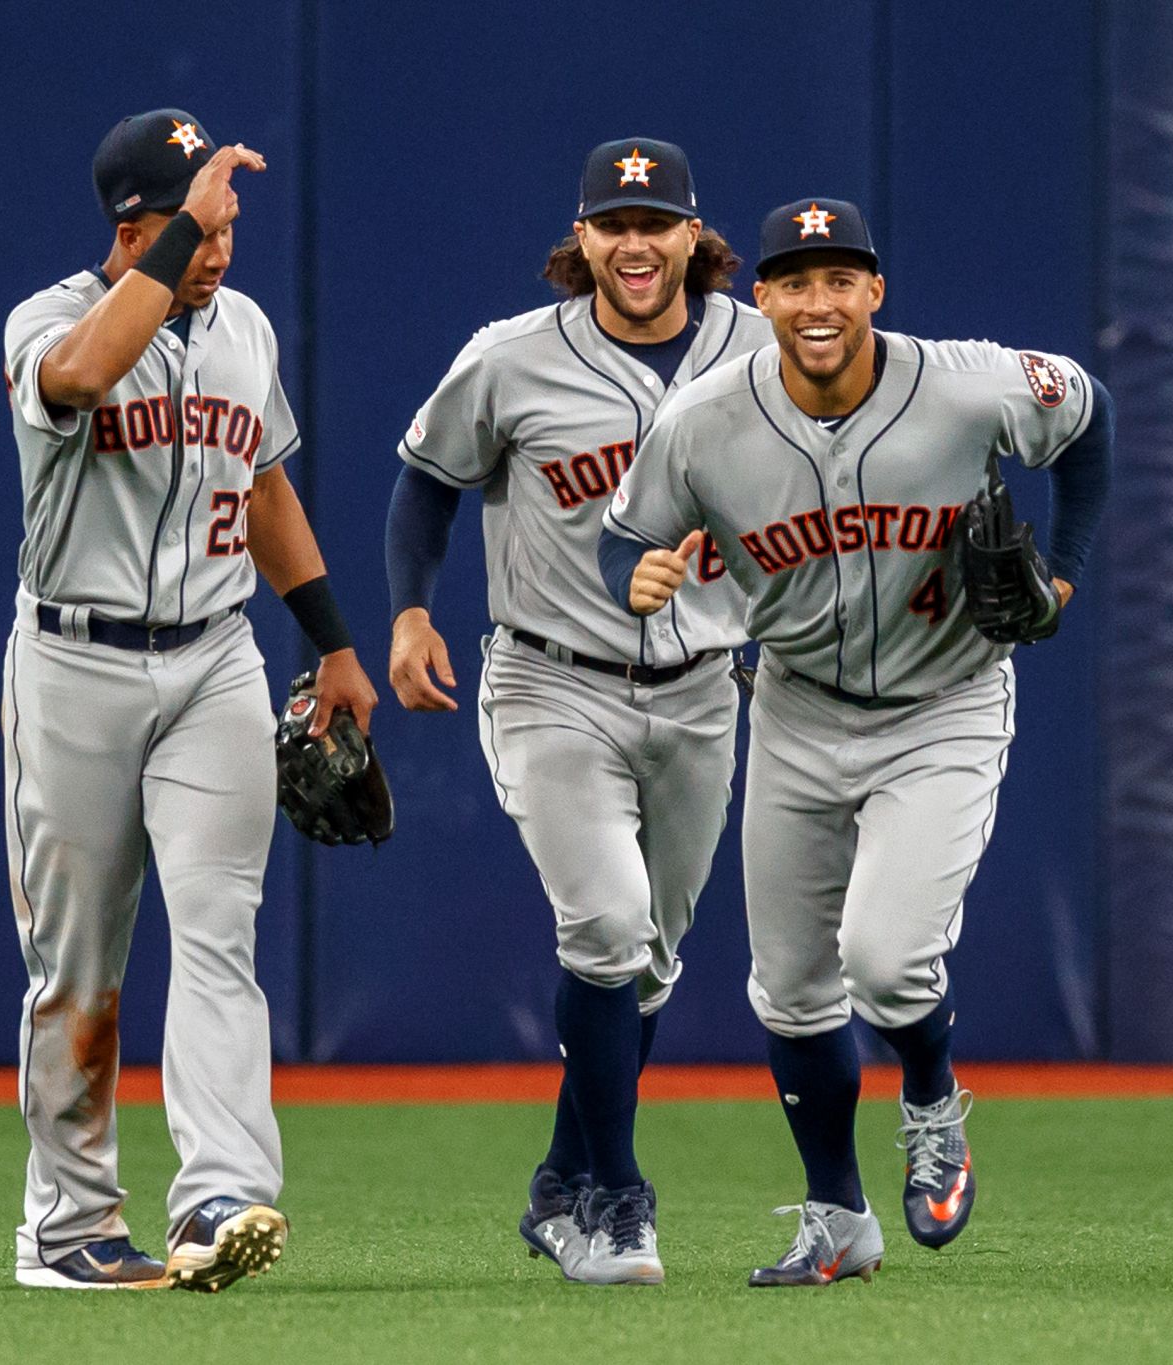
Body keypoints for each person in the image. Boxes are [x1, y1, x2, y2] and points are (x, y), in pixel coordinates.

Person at [600, 197, 1112, 1286]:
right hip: (792, 706)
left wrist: (1061, 573)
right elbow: (626, 531)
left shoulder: (969, 382)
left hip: (946, 707)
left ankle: (928, 1096)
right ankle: (837, 1218)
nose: (817, 302)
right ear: (761, 298)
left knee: (883, 962)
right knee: (785, 988)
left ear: (874, 291)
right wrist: (635, 575)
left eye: (840, 279)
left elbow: (1088, 419)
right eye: (793, 281)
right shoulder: (701, 418)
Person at [0, 108, 376, 1292]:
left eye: (221, 221)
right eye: (187, 223)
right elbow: (81, 375)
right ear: (129, 225)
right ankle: (66, 1228)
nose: (217, 245)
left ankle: (219, 1193)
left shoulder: (245, 330)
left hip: (217, 656)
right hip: (74, 661)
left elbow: (261, 488)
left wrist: (335, 643)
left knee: (221, 933)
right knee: (78, 963)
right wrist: (176, 248)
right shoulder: (48, 318)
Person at [383, 138, 768, 1284]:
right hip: (552, 680)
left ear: (695, 236)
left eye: (658, 224)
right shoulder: (509, 358)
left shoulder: (757, 347)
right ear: (582, 239)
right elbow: (425, 482)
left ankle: (557, 1183)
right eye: (616, 224)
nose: (638, 244)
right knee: (604, 926)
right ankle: (611, 1198)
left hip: (703, 688)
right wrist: (408, 616)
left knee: (646, 964)